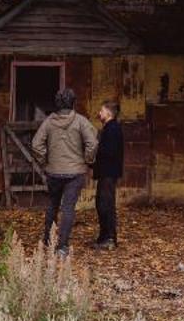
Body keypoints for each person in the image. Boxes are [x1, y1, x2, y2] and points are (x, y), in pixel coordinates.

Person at [32, 87, 98, 255]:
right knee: (68, 208)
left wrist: (45, 161)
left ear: (57, 103)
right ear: (73, 102)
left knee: (53, 205)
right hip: (75, 173)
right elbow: (93, 143)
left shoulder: (48, 122)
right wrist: (88, 160)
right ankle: (61, 246)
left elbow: (36, 145)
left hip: (53, 172)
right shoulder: (81, 121)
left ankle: (47, 240)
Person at [92, 99, 123, 249]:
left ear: (109, 113)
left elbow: (109, 152)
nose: (99, 113)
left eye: (102, 111)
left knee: (106, 205)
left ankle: (109, 238)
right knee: (101, 204)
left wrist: (95, 152)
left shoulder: (112, 129)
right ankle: (105, 236)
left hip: (108, 173)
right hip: (106, 172)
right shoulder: (110, 128)